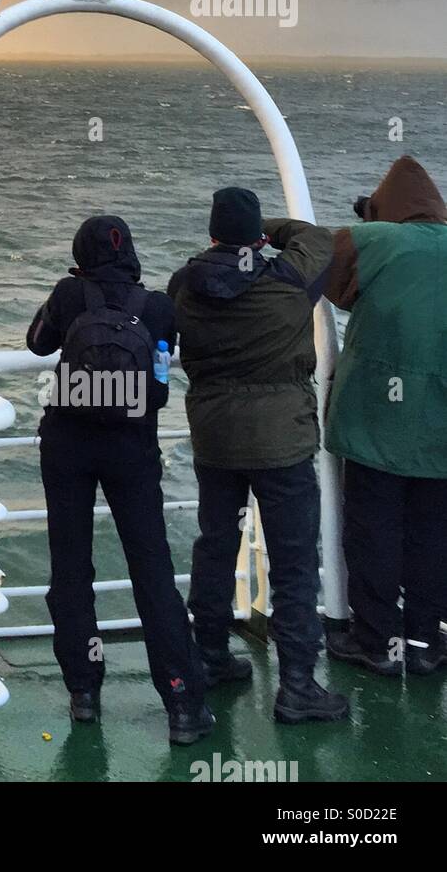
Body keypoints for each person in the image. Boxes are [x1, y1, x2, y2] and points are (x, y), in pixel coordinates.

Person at [26, 216, 212, 745]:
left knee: (70, 567)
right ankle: (181, 702)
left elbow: (38, 344)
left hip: (68, 445)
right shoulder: (155, 306)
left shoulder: (68, 293)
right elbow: (159, 371)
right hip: (132, 449)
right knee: (152, 571)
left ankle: (83, 691)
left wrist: (67, 297)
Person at [169, 186, 347, 723]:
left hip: (215, 439)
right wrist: (268, 230)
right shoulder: (290, 283)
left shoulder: (184, 283)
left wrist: (233, 239)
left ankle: (211, 657)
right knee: (293, 563)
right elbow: (318, 239)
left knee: (216, 545)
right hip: (282, 443)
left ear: (212, 233)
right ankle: (297, 686)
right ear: (257, 236)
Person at [324, 156, 447, 677]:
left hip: (375, 420)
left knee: (373, 531)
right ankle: (424, 644)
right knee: (432, 537)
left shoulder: (371, 239)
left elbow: (330, 281)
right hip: (439, 433)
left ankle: (374, 641)